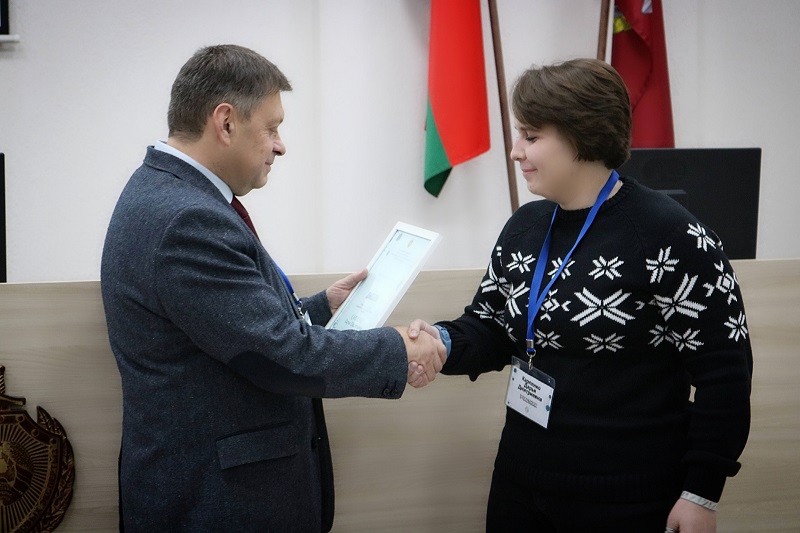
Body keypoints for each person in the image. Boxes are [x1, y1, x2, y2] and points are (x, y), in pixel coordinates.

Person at [101, 44, 445, 532]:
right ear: (225, 123)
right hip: (219, 504)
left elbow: (228, 329)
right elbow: (279, 356)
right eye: (272, 128)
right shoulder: (187, 220)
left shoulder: (165, 192)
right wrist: (396, 348)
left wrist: (321, 308)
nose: (280, 146)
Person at [409, 58, 752, 532]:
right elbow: (492, 325)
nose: (515, 151)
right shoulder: (526, 226)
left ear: (582, 134)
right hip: (521, 483)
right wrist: (441, 342)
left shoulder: (671, 236)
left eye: (531, 136)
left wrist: (701, 493)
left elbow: (724, 374)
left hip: (629, 495)